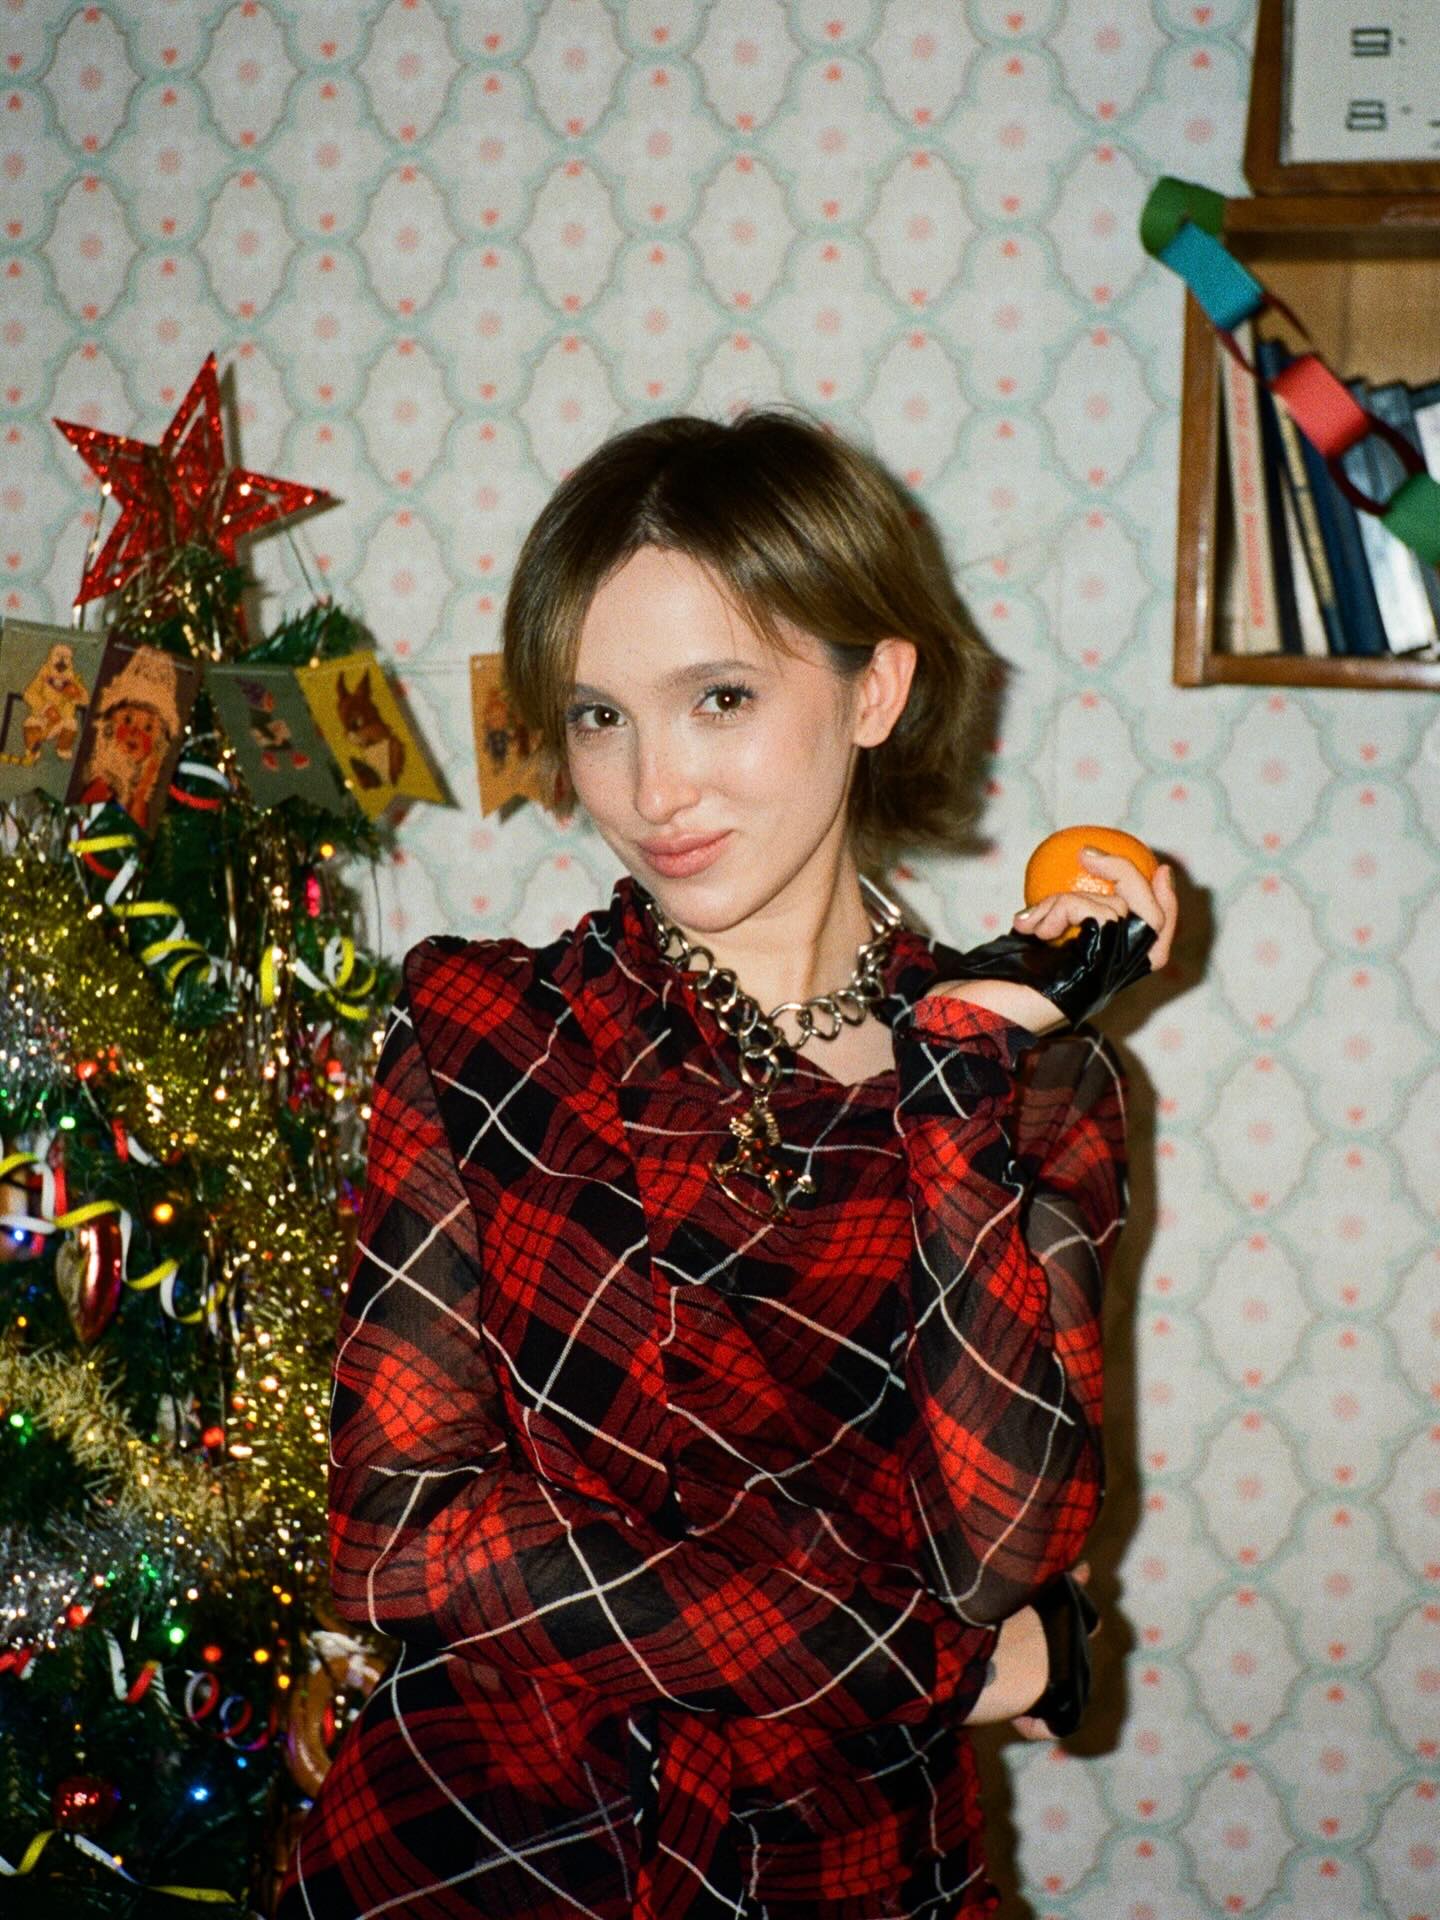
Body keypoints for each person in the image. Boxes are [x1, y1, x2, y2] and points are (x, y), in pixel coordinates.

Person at [278, 411, 1179, 1919]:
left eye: (719, 698)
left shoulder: (1028, 1077)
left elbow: (1000, 1545)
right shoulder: (482, 1029)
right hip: (486, 1857)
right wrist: (952, 1669)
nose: (653, 788)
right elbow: (401, 1544)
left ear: (874, 687)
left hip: (858, 1866)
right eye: (599, 717)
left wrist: (956, 1067)